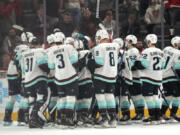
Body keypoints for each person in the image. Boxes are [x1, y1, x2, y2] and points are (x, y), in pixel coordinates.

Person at [89, 29, 120, 128]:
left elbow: (99, 63)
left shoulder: (98, 47)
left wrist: (88, 63)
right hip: (112, 74)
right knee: (110, 95)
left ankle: (104, 119)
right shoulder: (115, 46)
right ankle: (113, 119)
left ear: (99, 37)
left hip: (101, 75)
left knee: (100, 96)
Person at [48, 32, 79, 128]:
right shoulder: (69, 47)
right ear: (63, 39)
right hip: (70, 76)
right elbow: (74, 61)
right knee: (70, 98)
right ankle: (68, 119)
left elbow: (51, 66)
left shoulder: (50, 51)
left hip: (59, 78)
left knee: (62, 99)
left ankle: (60, 118)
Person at [135, 34, 164, 124]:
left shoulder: (146, 51)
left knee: (148, 97)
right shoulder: (160, 51)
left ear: (149, 42)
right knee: (155, 96)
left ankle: (152, 116)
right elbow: (163, 65)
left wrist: (136, 63)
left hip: (148, 77)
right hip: (158, 77)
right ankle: (157, 116)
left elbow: (144, 65)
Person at [21, 37, 50, 128]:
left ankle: (31, 119)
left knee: (32, 100)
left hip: (28, 80)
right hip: (38, 78)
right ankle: (34, 118)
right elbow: (42, 63)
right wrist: (48, 71)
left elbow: (22, 69)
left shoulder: (24, 54)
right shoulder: (39, 51)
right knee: (42, 98)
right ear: (38, 44)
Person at [125, 35, 145, 122]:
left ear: (130, 41)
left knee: (137, 95)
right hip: (131, 76)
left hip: (134, 76)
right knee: (134, 95)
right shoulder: (129, 50)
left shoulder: (133, 51)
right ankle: (139, 113)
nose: (125, 42)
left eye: (126, 40)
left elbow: (132, 65)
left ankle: (140, 113)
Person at [161, 36, 180, 123]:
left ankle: (162, 113)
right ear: (176, 44)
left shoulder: (166, 49)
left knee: (168, 96)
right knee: (177, 96)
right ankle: (173, 114)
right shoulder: (177, 52)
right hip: (173, 77)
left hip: (164, 76)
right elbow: (178, 67)